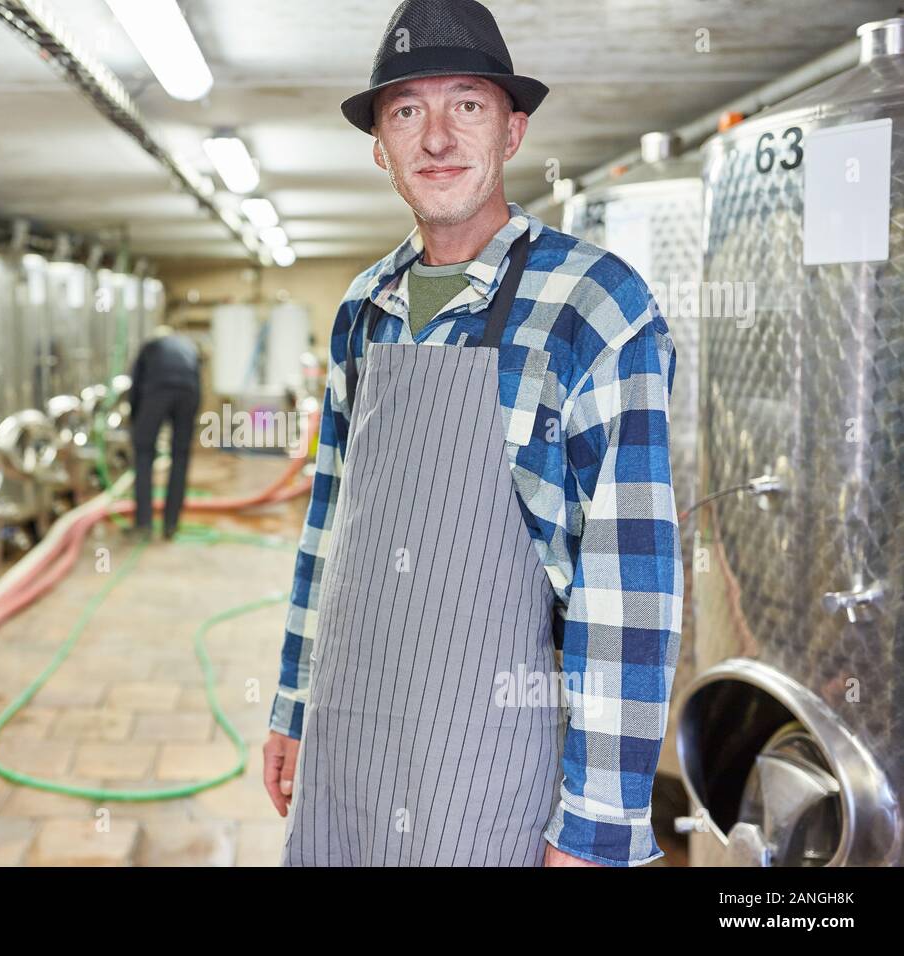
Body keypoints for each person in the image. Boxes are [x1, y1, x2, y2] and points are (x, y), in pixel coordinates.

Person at [263, 0, 682, 867]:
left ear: (514, 130)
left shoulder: (594, 306)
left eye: (468, 104)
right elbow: (328, 529)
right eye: (408, 110)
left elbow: (628, 582)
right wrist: (294, 706)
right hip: (349, 738)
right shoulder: (361, 308)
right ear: (380, 145)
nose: (439, 137)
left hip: (493, 764)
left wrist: (599, 822)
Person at [125, 325, 201, 540]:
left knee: (143, 454)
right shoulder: (188, 346)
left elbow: (136, 385)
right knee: (180, 456)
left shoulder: (151, 346)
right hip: (189, 394)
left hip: (158, 390)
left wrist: (135, 419)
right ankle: (171, 525)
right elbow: (198, 382)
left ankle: (144, 524)